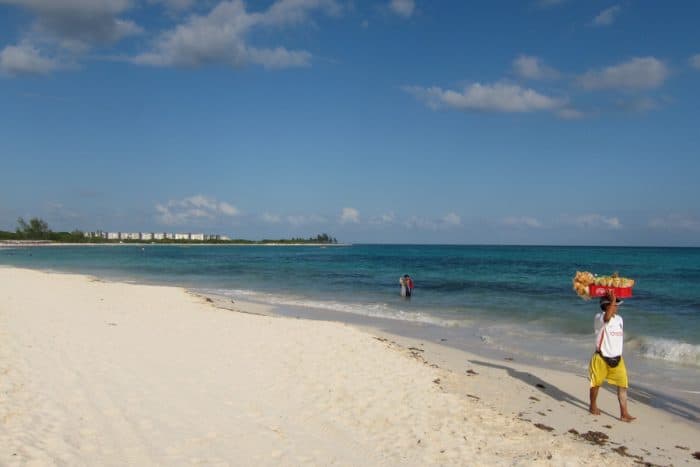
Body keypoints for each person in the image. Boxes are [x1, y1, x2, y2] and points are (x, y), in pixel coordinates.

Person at [588, 289, 636, 422]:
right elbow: (606, 319)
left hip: (618, 359)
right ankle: (592, 405)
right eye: (615, 305)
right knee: (596, 384)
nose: (617, 307)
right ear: (607, 305)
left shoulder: (620, 319)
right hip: (601, 358)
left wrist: (613, 301)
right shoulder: (599, 318)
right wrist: (612, 300)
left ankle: (624, 413)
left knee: (623, 386)